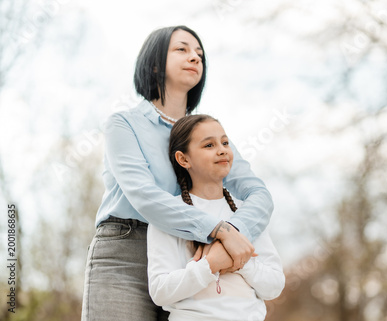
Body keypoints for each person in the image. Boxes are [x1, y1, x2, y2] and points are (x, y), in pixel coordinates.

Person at [81, 26, 274, 321]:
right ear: (155, 63)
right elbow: (144, 195)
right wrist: (218, 230)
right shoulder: (124, 124)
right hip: (128, 250)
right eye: (182, 49)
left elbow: (258, 194)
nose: (195, 57)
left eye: (199, 53)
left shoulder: (210, 136)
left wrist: (232, 234)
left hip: (192, 254)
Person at [148, 114, 285, 321]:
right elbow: (160, 291)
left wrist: (239, 260)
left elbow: (274, 285)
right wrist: (210, 265)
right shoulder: (170, 214)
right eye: (209, 145)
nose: (222, 149)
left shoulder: (247, 214)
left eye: (225, 142)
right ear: (183, 159)